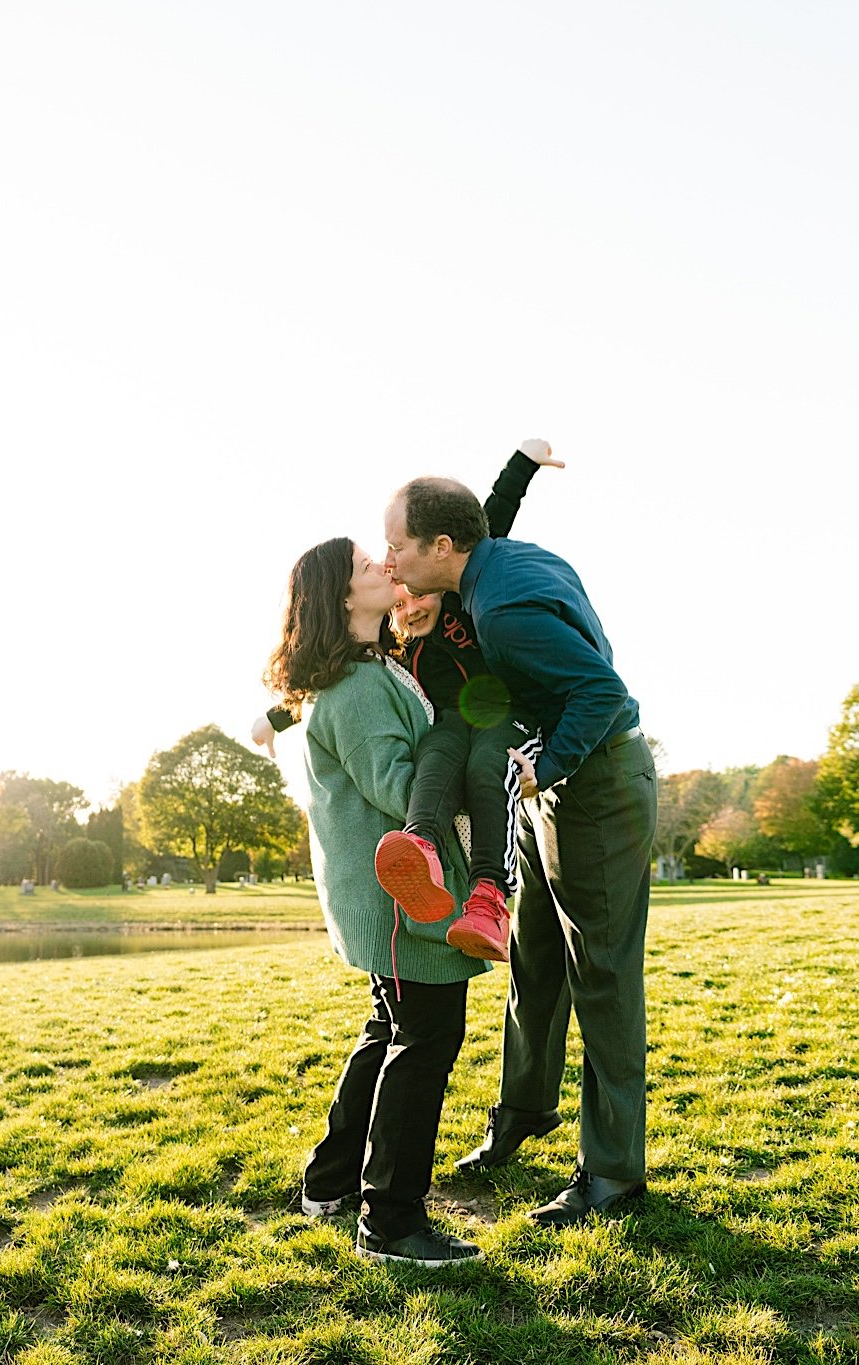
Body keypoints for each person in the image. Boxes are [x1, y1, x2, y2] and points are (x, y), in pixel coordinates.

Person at [382, 458, 657, 1228]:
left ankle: (611, 1171)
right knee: (533, 956)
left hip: (598, 786)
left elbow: (600, 689)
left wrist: (547, 764)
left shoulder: (501, 607)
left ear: (441, 545)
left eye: (397, 545)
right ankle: (524, 1109)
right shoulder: (495, 560)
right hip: (557, 790)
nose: (392, 561)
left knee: (599, 973)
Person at [265, 535, 487, 1267]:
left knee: (389, 1029)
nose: (384, 567)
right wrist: (459, 737)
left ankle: (329, 1184)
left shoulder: (365, 668)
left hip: (382, 899)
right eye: (367, 566)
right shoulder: (357, 689)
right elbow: (399, 791)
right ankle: (388, 1220)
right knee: (423, 1041)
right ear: (340, 599)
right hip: (400, 902)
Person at [252, 442, 563, 960]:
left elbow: (486, 524)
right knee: (434, 761)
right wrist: (273, 718)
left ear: (441, 583)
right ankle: (419, 846)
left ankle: (489, 899)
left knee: (489, 768)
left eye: (420, 595)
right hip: (448, 727)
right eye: (402, 601)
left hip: (502, 718)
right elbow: (329, 667)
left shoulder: (464, 606)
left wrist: (523, 464)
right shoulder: (398, 645)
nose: (412, 606)